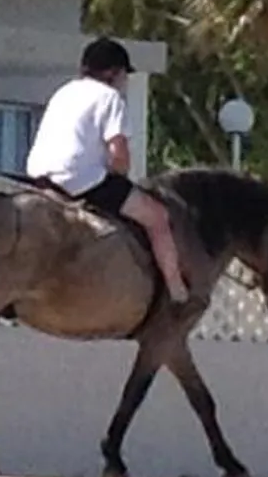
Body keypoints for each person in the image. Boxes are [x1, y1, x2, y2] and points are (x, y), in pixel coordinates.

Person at [26, 36, 190, 305]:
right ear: (114, 73)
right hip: (78, 178)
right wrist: (122, 179)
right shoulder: (110, 97)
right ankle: (176, 291)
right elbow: (118, 154)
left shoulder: (64, 91)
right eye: (125, 75)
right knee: (158, 217)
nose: (125, 82)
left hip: (38, 175)